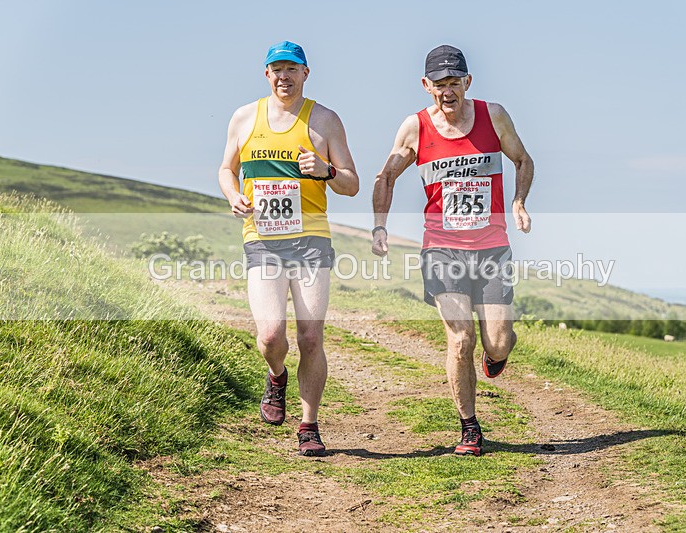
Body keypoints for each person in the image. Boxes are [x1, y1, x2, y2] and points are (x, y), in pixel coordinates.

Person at [371, 44, 534, 456]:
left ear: (468, 83)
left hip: (493, 248)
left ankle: (496, 356)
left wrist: (518, 202)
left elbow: (523, 159)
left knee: (497, 342)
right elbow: (386, 176)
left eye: (454, 83)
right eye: (439, 85)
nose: (448, 92)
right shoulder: (415, 128)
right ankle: (469, 428)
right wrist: (379, 226)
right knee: (461, 339)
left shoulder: (493, 116)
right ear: (426, 86)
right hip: (442, 249)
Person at [218, 40, 359, 456]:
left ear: (305, 74)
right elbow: (227, 169)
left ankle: (309, 425)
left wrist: (326, 170)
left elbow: (351, 183)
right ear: (267, 74)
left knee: (311, 337)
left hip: (311, 237)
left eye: (292, 69)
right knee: (270, 334)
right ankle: (276, 374)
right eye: (276, 69)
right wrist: (232, 195)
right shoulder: (245, 117)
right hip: (262, 238)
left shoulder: (325, 121)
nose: (284, 76)